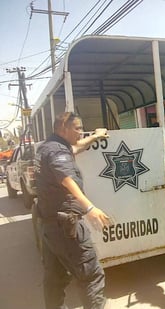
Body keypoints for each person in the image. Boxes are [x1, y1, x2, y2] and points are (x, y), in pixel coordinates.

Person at [35, 112, 112, 309]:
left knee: (55, 279)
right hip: (66, 228)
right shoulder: (57, 152)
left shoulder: (49, 147)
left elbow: (75, 147)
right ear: (63, 128)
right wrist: (90, 208)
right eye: (77, 128)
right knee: (91, 276)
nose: (80, 132)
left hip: (49, 227)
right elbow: (67, 179)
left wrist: (95, 136)